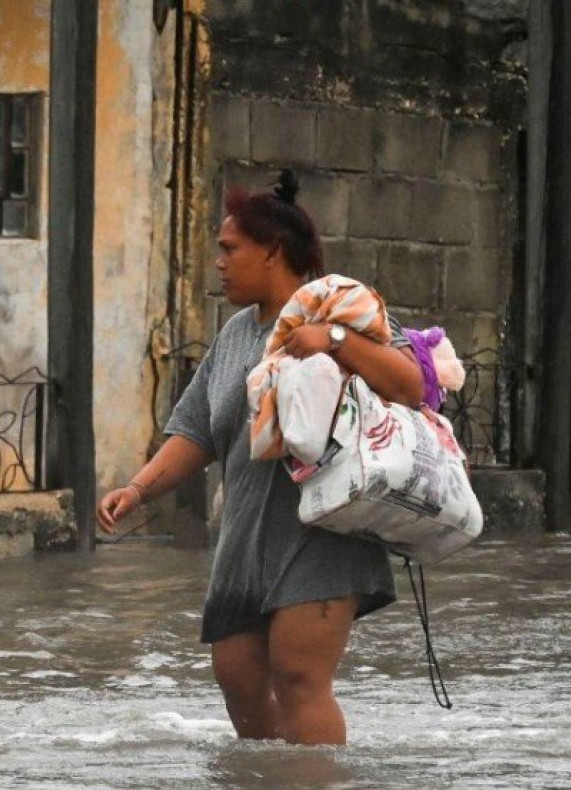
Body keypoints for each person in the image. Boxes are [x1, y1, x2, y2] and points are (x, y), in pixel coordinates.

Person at [96, 172, 424, 746]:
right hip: (245, 540)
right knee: (239, 679)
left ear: (273, 251)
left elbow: (412, 384)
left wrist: (337, 343)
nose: (218, 263)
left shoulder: (341, 306)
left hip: (322, 534)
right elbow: (197, 430)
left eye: (229, 250)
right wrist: (139, 489)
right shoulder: (235, 336)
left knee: (299, 677)